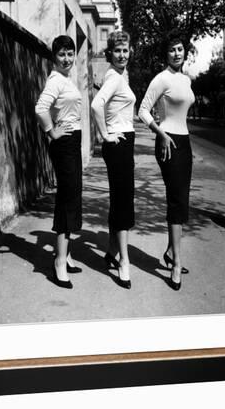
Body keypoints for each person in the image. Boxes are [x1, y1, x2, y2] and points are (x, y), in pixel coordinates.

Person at [138, 37, 195, 290]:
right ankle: (175, 263)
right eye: (171, 49)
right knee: (176, 199)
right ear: (166, 54)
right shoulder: (161, 79)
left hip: (185, 143)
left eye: (180, 49)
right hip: (167, 142)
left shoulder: (186, 79)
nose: (176, 53)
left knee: (182, 200)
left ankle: (172, 253)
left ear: (185, 52)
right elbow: (143, 110)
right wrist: (160, 133)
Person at [35, 35, 83, 289]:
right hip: (64, 143)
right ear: (54, 57)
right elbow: (40, 108)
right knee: (67, 199)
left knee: (72, 197)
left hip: (72, 141)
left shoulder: (66, 79)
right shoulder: (55, 80)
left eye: (70, 53)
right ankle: (59, 262)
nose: (67, 58)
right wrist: (52, 132)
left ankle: (67, 253)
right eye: (62, 54)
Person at [91, 31, 136, 289]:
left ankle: (111, 251)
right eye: (118, 50)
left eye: (125, 50)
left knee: (120, 199)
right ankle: (124, 262)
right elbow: (97, 105)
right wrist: (106, 136)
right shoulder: (113, 77)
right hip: (117, 144)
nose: (122, 55)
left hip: (123, 142)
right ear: (111, 53)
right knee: (122, 202)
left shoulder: (120, 76)